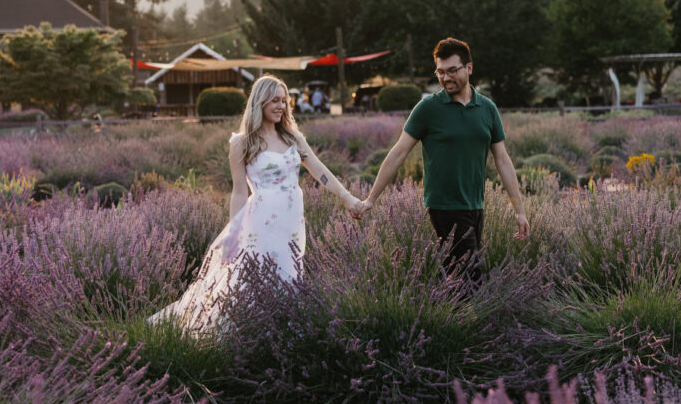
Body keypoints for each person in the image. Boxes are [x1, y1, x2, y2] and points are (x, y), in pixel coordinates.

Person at [150, 74, 361, 332]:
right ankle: (245, 334)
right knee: (253, 280)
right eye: (274, 100)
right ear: (259, 102)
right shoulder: (241, 143)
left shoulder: (293, 138)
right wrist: (234, 233)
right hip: (260, 223)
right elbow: (239, 192)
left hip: (292, 224)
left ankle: (281, 334)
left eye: (283, 101)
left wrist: (347, 197)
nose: (280, 106)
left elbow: (319, 170)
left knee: (288, 276)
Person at [353, 38, 529, 287]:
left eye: (452, 71)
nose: (446, 78)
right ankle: (466, 322)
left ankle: (438, 315)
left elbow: (502, 160)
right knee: (470, 280)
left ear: (469, 68)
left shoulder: (487, 108)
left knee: (457, 279)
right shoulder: (428, 108)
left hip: (475, 205)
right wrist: (371, 199)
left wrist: (519, 210)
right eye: (441, 72)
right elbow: (398, 153)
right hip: (444, 205)